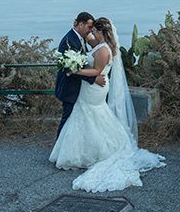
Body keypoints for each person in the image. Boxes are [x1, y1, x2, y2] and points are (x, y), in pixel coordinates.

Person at [49, 17, 165, 192]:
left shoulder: (104, 50)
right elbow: (85, 38)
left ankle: (93, 150)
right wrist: (79, 27)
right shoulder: (97, 43)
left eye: (94, 30)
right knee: (87, 117)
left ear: (101, 32)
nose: (91, 33)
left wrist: (75, 70)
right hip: (90, 86)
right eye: (90, 29)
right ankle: (80, 149)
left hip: (95, 86)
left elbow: (96, 71)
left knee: (93, 115)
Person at [54, 12, 106, 138]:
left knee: (74, 119)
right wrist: (94, 78)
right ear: (81, 24)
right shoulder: (69, 40)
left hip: (78, 87)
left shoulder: (80, 37)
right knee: (67, 118)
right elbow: (71, 69)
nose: (90, 31)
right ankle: (59, 147)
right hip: (69, 86)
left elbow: (95, 48)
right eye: (89, 27)